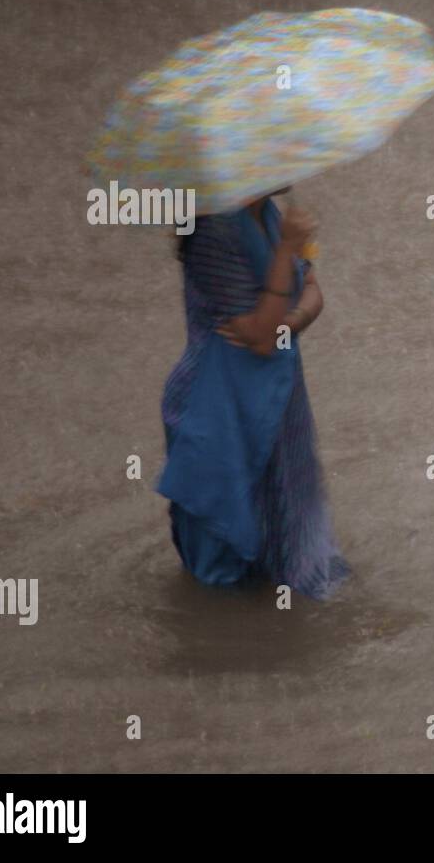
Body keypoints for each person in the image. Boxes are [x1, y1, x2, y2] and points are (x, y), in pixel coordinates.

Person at [158, 189, 349, 598]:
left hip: (276, 397)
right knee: (220, 575)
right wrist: (286, 252)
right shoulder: (213, 230)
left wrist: (289, 323)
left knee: (290, 538)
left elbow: (313, 291)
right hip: (219, 407)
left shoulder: (273, 214)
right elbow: (262, 337)